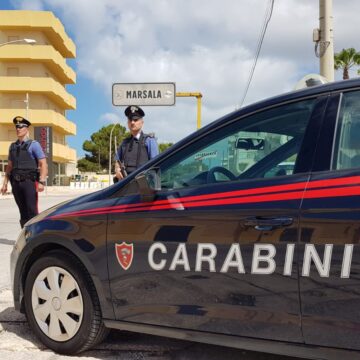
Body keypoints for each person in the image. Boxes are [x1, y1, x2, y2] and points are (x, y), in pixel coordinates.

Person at [0, 116, 48, 228]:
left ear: (27, 129)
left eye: (21, 127)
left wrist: (42, 182)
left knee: (32, 211)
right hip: (16, 183)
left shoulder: (33, 144)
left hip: (29, 182)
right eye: (17, 127)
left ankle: (35, 237)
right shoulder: (12, 146)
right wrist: (5, 183)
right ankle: (25, 236)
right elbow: (9, 166)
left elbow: (43, 163)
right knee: (22, 211)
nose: (18, 129)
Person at [114, 105, 158, 181]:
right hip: (125, 184)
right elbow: (118, 161)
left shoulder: (149, 140)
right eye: (130, 120)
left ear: (142, 122)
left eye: (136, 119)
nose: (132, 122)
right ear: (127, 122)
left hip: (143, 185)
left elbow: (156, 165)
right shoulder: (124, 143)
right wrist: (117, 169)